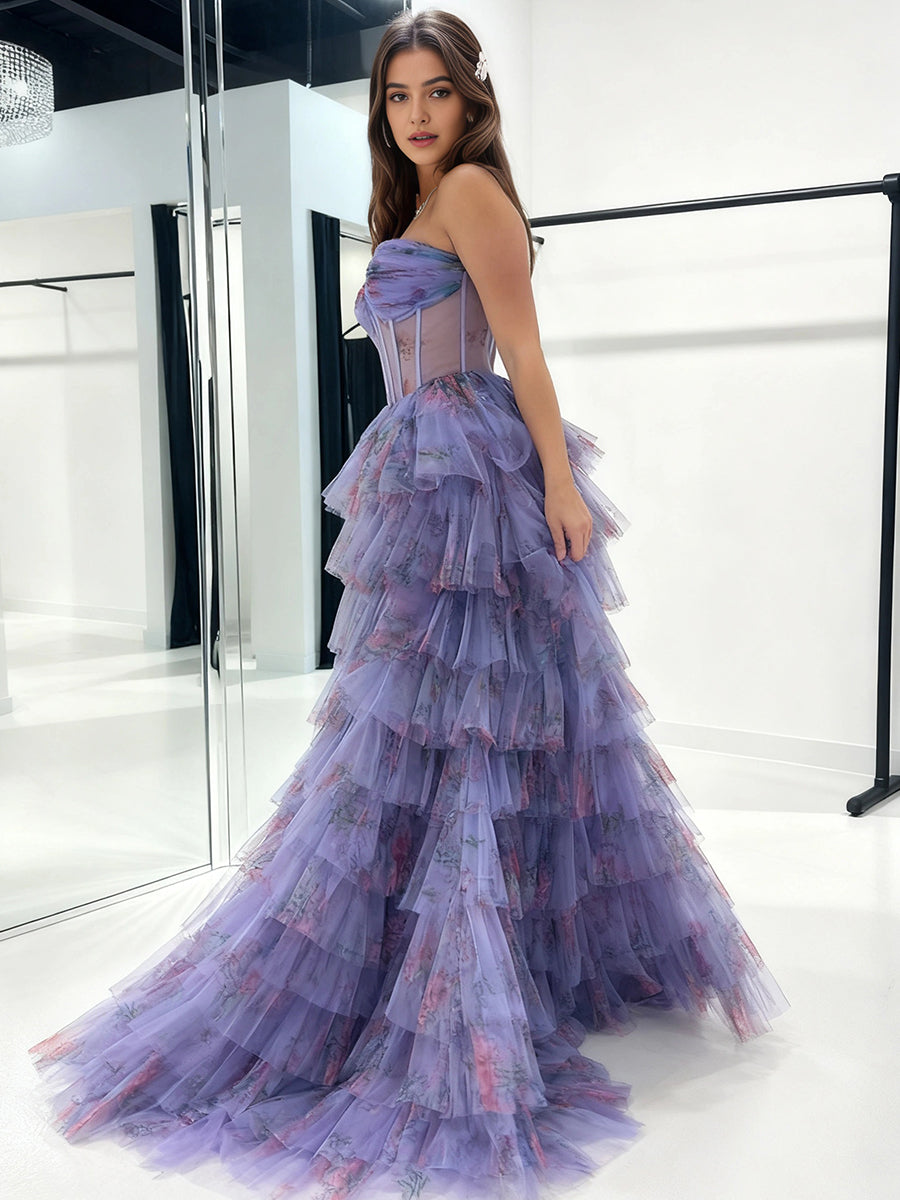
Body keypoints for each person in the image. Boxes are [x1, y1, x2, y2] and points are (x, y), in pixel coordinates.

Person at [28, 9, 790, 1200]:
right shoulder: (410, 202)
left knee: (478, 718)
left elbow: (524, 351)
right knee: (420, 717)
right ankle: (456, 946)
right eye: (398, 96)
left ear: (470, 101)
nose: (418, 113)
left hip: (470, 469)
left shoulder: (474, 193)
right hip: (419, 464)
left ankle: (486, 960)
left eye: (437, 92)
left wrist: (557, 483)